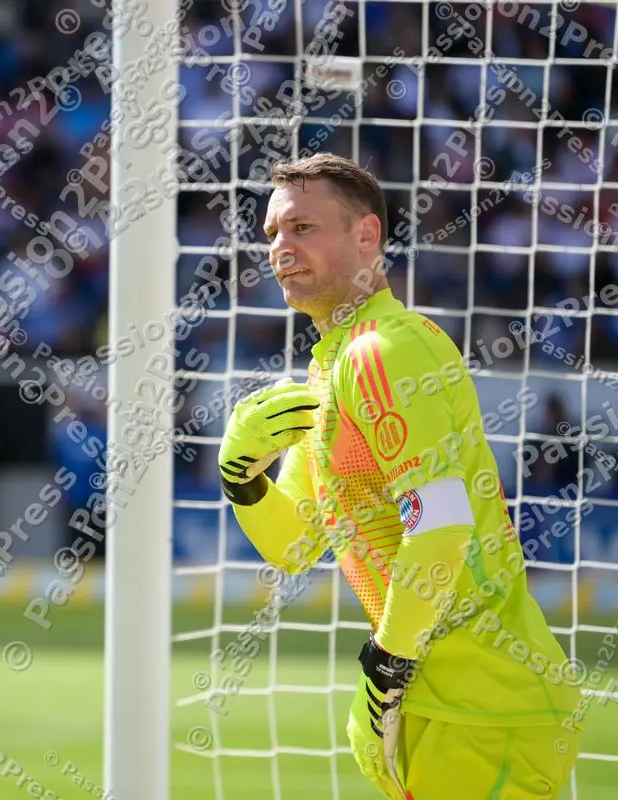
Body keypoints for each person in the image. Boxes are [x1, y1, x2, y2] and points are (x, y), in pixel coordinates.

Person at [218, 154, 582, 799]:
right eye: (272, 232)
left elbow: (439, 527)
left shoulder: (385, 348)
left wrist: (384, 671)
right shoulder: (333, 365)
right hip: (434, 698)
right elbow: (295, 544)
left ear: (367, 236)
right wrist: (244, 478)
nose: (280, 247)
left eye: (302, 227)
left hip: (479, 701)